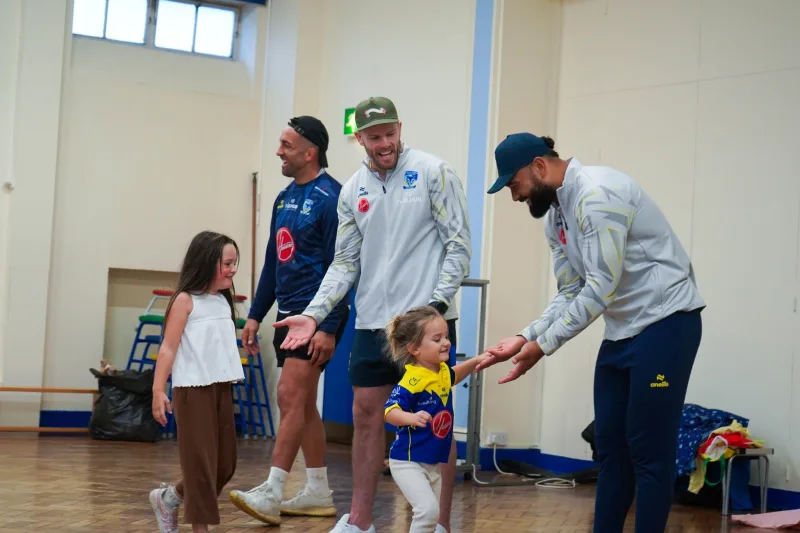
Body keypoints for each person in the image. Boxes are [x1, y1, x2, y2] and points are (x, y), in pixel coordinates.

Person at [476, 133, 706, 533]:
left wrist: (541, 347)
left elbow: (601, 286)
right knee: (611, 448)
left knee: (648, 451)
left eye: (514, 185)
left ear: (539, 166)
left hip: (667, 323)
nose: (514, 197)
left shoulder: (598, 194)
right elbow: (571, 290)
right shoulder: (555, 215)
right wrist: (524, 335)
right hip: (622, 332)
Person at [273, 96, 472, 533]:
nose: (384, 143)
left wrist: (435, 309)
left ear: (399, 128)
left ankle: (438, 524)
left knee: (435, 416)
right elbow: (345, 262)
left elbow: (458, 245)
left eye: (389, 133)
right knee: (366, 412)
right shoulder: (351, 190)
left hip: (427, 321)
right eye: (373, 136)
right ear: (358, 138)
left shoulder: (434, 172)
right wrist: (313, 313)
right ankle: (359, 521)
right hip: (372, 323)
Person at [228, 116, 349, 525]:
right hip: (285, 315)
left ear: (309, 152)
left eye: (286, 144)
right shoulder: (283, 198)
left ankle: (272, 489)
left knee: (290, 397)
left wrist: (329, 326)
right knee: (304, 406)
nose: (279, 151)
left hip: (315, 319)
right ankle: (317, 490)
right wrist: (256, 315)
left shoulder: (333, 198)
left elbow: (345, 266)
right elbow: (272, 262)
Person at [149, 230, 246, 533]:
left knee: (224, 465)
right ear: (206, 263)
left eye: (234, 263)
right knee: (201, 468)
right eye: (227, 263)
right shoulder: (185, 300)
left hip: (221, 389)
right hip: (192, 392)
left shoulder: (222, 302)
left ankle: (170, 498)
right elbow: (168, 347)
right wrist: (157, 390)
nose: (232, 269)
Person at [383, 306, 486, 533]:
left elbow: (454, 375)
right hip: (408, 461)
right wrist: (411, 417)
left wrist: (477, 360)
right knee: (428, 512)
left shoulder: (440, 371)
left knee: (433, 515)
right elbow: (390, 411)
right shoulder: (413, 378)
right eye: (437, 339)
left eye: (446, 336)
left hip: (431, 462)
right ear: (414, 349)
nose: (446, 343)